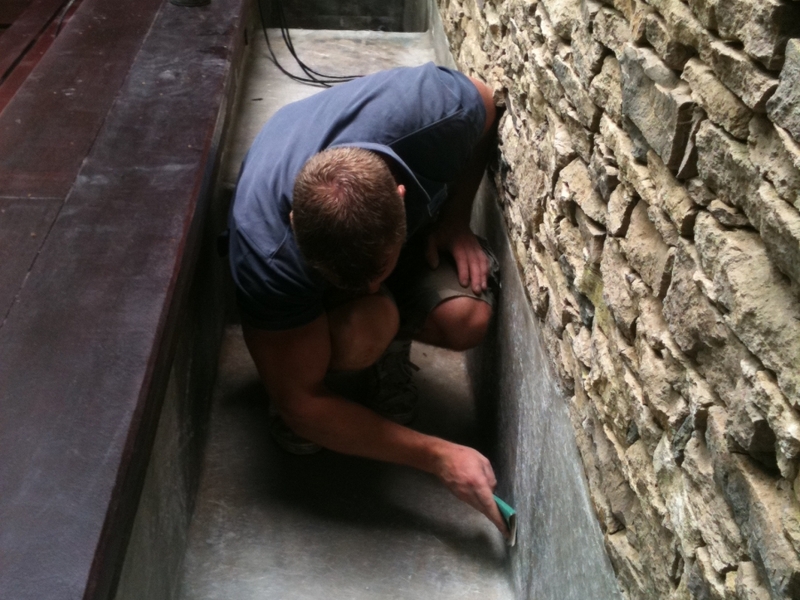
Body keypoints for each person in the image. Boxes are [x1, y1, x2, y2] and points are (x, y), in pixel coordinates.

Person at [228, 62, 508, 538]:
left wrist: (454, 221)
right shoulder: (263, 249)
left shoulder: (437, 111)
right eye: (350, 282)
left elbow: (486, 103)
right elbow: (301, 404)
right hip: (319, 245)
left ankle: (378, 343)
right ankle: (339, 353)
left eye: (379, 273)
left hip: (382, 214)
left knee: (466, 319)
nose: (370, 287)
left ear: (402, 198)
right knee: (365, 325)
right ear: (296, 225)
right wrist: (439, 456)